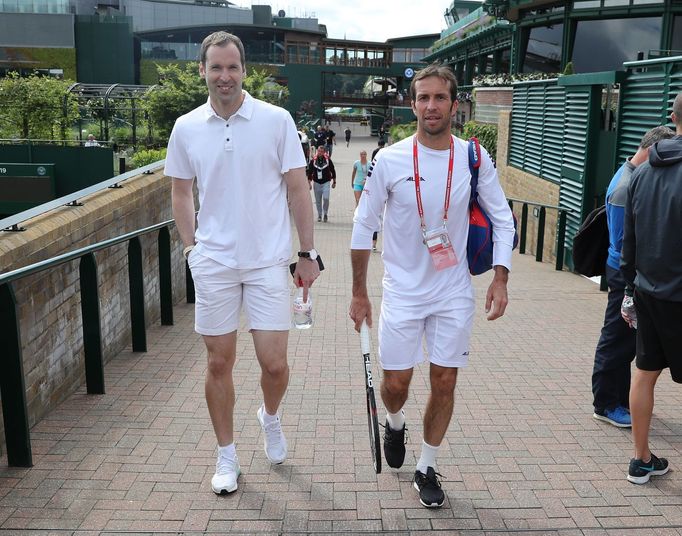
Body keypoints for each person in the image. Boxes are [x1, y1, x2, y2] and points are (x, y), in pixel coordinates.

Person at [349, 64, 515, 508]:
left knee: (444, 381)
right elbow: (363, 226)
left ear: (454, 105)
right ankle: (396, 420)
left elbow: (502, 217)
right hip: (402, 291)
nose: (431, 105)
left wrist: (500, 276)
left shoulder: (473, 157)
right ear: (412, 103)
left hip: (453, 290)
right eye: (423, 98)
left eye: (440, 97)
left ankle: (426, 465)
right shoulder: (389, 159)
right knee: (396, 382)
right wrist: (359, 292)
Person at [165, 31, 320, 496]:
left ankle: (269, 417)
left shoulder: (276, 121)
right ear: (203, 71)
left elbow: (298, 189)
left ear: (244, 71)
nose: (225, 76)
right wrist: (192, 248)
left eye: (233, 67)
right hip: (214, 262)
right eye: (216, 67)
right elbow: (180, 191)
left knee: (274, 365)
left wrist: (307, 253)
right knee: (219, 362)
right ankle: (226, 456)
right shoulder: (186, 127)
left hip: (268, 260)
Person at [592, 126, 674, 428]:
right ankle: (605, 403)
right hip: (622, 273)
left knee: (624, 342)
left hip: (624, 271)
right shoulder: (629, 185)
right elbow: (626, 239)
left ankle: (620, 399)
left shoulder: (628, 175)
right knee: (615, 340)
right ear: (653, 150)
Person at [620, 93, 682, 485]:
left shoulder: (642, 171)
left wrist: (631, 287)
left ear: (674, 117)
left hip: (648, 290)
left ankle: (640, 460)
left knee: (644, 373)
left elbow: (630, 239)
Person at [307, 144, 336, 222]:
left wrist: (334, 181)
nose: (320, 152)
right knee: (318, 200)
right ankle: (320, 214)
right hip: (316, 183)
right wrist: (309, 183)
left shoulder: (327, 160)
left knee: (326, 198)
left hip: (326, 182)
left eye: (322, 151)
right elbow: (309, 172)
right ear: (317, 151)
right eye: (319, 151)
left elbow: (333, 170)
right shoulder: (313, 160)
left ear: (324, 152)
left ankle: (325, 213)